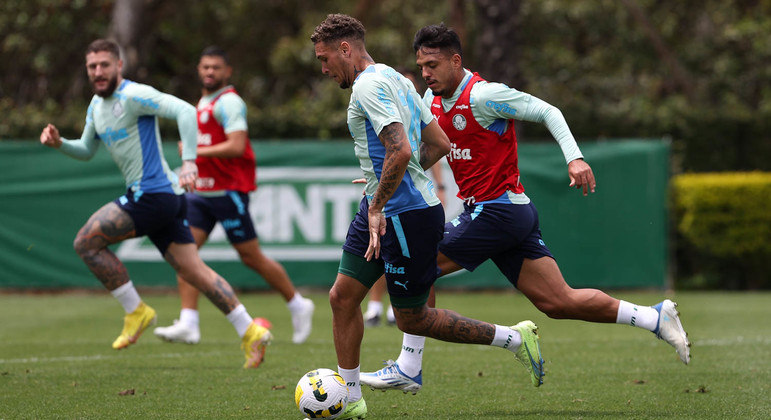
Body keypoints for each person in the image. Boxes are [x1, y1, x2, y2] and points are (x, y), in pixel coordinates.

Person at [360, 23, 691, 394]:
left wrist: (575, 158)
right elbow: (419, 150)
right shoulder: (432, 102)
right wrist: (393, 176)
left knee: (420, 264)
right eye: (421, 66)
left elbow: (548, 111)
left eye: (433, 65)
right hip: (506, 215)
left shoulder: (485, 95)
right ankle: (653, 317)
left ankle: (409, 366)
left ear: (456, 60)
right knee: (558, 301)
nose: (425, 73)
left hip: (497, 210)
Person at [311, 15, 545, 419]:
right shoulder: (397, 78)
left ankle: (512, 338)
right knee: (341, 297)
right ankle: (349, 398)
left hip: (405, 216)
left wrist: (383, 199)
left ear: (345, 49)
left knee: (413, 318)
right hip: (380, 208)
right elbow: (440, 142)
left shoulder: (368, 86)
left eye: (325, 58)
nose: (324, 68)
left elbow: (400, 150)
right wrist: (382, 185)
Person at [39, 39, 272, 369]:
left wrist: (190, 161)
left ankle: (136, 310)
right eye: (92, 66)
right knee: (196, 272)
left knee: (87, 242)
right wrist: (60, 143)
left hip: (152, 194)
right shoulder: (95, 106)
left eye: (105, 64)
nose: (98, 72)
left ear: (119, 65)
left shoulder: (133, 95)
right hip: (168, 198)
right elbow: (87, 150)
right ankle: (250, 330)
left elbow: (185, 110)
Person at [153, 46, 314, 345]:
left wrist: (194, 151)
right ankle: (188, 321)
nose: (209, 72)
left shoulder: (229, 102)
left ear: (228, 71)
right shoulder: (202, 101)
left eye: (215, 67)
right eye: (204, 67)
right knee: (184, 254)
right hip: (201, 192)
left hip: (229, 193)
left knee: (251, 257)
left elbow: (237, 146)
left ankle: (297, 304)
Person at [362, 67, 447, 328]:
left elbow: (422, 150)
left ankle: (507, 337)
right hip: (387, 194)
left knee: (402, 264)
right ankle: (376, 305)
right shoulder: (384, 107)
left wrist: (441, 186)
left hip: (408, 200)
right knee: (378, 254)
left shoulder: (414, 110)